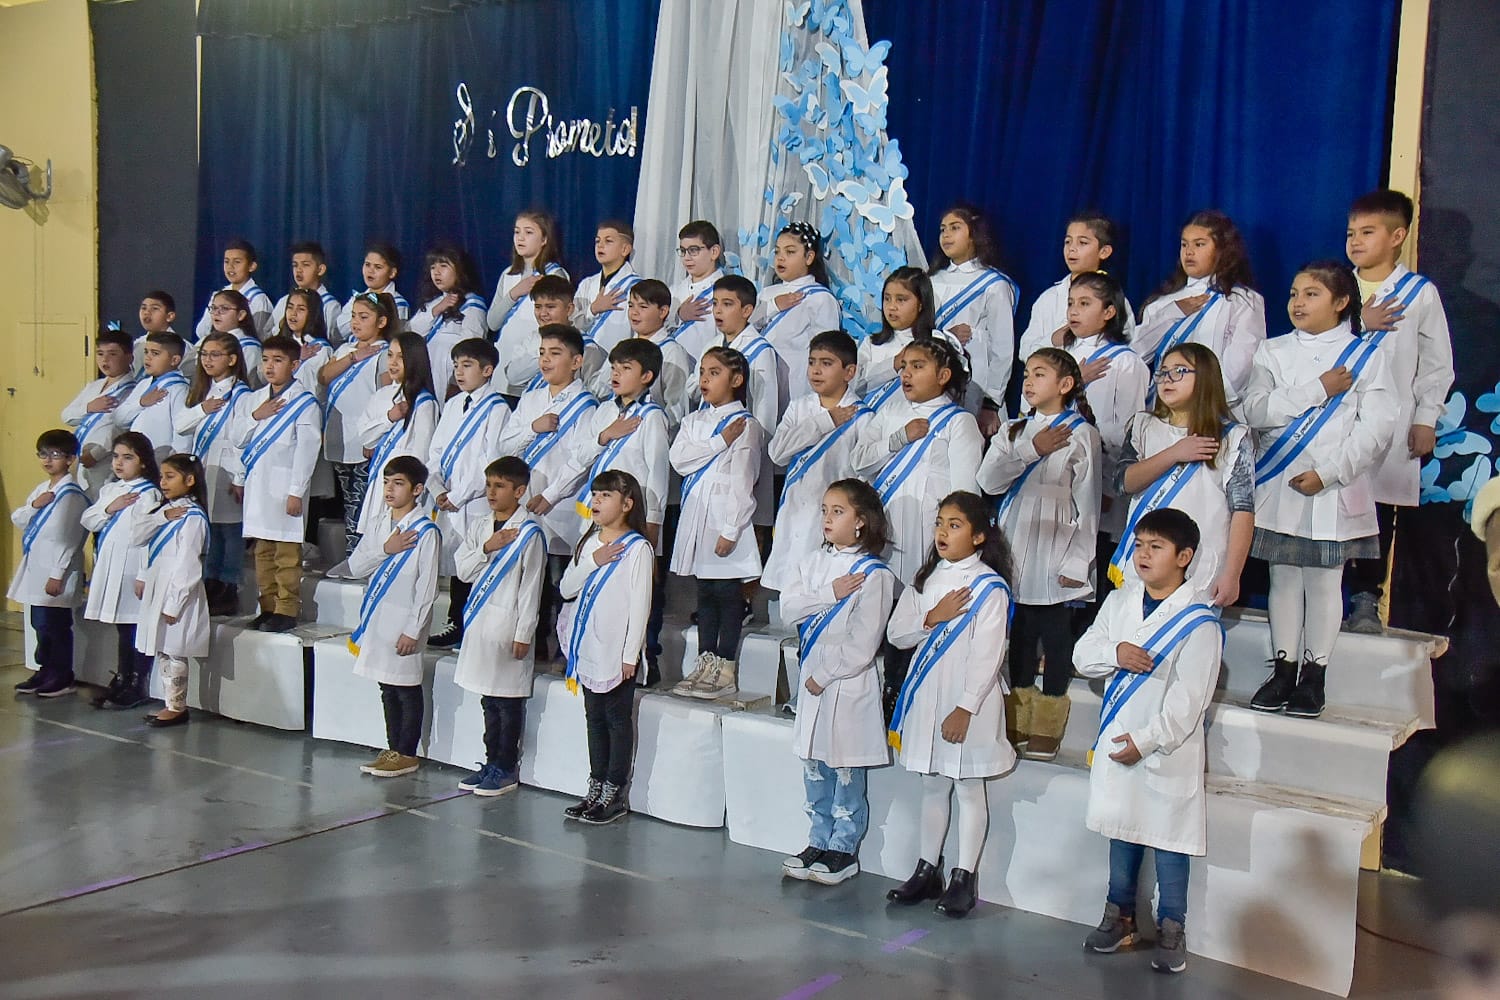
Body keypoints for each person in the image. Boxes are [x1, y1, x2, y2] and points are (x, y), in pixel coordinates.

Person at [1243, 260, 1396, 719]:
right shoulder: (1271, 351)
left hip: (1332, 486)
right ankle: (1284, 667)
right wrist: (1316, 389)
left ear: (1341, 301)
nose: (1297, 302)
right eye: (1293, 293)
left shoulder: (1366, 354)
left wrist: (1330, 472)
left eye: (1311, 294)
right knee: (1283, 576)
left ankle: (1315, 673)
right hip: (1280, 485)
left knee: (1325, 579)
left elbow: (1378, 426)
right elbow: (1255, 410)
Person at [1075, 507, 1223, 975]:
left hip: (1164, 750)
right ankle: (1119, 915)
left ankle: (1172, 925)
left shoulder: (1198, 621)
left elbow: (1189, 700)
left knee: (1168, 839)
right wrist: (1113, 652)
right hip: (1121, 741)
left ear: (1184, 557)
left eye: (1155, 547)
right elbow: (1083, 654)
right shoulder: (1120, 601)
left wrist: (1147, 739)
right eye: (1139, 545)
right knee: (1122, 829)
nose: (1142, 554)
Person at [884, 491, 1015, 919]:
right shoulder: (926, 579)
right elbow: (898, 634)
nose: (942, 532)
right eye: (940, 522)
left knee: (968, 787)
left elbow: (988, 653)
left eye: (955, 525)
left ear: (978, 536)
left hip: (967, 703)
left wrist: (965, 706)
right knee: (933, 783)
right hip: (928, 694)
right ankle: (927, 868)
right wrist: (931, 617)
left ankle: (964, 876)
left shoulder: (989, 587)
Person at [977, 348, 1102, 759]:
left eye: (1041, 375)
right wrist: (1032, 448)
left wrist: (1076, 561)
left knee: (1053, 630)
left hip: (1056, 540)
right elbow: (988, 481)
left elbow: (1088, 504)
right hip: (1016, 534)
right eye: (1027, 374)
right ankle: (1018, 715)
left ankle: (1048, 720)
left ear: (1065, 385)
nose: (1029, 382)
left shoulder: (1082, 432)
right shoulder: (1013, 429)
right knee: (1021, 631)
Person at [849, 335, 982, 713]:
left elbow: (965, 492)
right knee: (878, 612)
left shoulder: (959, 423)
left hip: (928, 537)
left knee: (914, 615)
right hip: (885, 535)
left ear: (943, 375)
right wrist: (897, 439)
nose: (907, 374)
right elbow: (860, 461)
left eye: (918, 367)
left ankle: (904, 693)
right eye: (904, 367)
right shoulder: (888, 413)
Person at [1342, 189, 1455, 633]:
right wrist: (1357, 323)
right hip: (1333, 420)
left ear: (1398, 236)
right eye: (1351, 232)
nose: (1356, 241)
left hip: (1390, 424)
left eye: (1368, 232)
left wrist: (1427, 417)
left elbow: (1436, 361)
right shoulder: (1335, 285)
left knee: (1376, 513)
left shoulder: (1419, 293)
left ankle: (1367, 599)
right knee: (1329, 507)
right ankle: (1324, 596)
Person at [779, 479, 895, 885]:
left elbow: (863, 643)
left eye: (839, 511)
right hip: (812, 676)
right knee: (814, 762)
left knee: (844, 765)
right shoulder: (811, 562)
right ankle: (816, 839)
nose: (828, 518)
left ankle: (843, 848)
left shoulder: (875, 574)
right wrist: (829, 593)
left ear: (861, 521)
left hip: (846, 681)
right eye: (825, 510)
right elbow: (788, 610)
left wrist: (823, 676)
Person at [1113, 342, 1254, 605]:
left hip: (1201, 563)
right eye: (1163, 372)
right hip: (1143, 563)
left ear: (1205, 378)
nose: (1167, 379)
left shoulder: (1232, 436)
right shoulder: (1143, 425)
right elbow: (1123, 482)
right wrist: (1174, 453)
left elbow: (1243, 509)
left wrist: (1232, 573)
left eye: (1179, 371)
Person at [565, 337, 670, 680]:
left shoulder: (652, 417)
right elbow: (580, 455)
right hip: (598, 515)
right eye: (613, 367)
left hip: (633, 517)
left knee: (638, 589)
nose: (616, 374)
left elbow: (656, 475)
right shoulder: (604, 411)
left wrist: (653, 524)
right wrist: (604, 435)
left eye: (626, 369)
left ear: (647, 377)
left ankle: (645, 657)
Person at [494, 324, 600, 659]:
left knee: (559, 582)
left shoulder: (586, 405)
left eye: (555, 354)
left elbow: (582, 460)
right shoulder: (531, 398)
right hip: (527, 504)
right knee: (528, 581)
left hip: (563, 507)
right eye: (542, 353)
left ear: (576, 361)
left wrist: (552, 494)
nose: (545, 360)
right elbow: (505, 445)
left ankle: (562, 647)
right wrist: (532, 427)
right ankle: (533, 644)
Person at [669, 347, 766, 700]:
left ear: (736, 380)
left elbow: (743, 481)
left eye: (714, 372)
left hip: (726, 520)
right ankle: (704, 661)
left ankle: (725, 666)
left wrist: (731, 530)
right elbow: (679, 460)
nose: (704, 379)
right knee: (705, 593)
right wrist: (717, 443)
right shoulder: (695, 422)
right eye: (703, 372)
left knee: (726, 595)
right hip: (698, 518)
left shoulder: (746, 426)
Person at [558, 469, 654, 825]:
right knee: (593, 719)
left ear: (627, 504)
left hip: (617, 653)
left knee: (616, 720)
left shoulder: (638, 549)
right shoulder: (588, 544)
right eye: (594, 495)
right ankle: (595, 785)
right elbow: (567, 588)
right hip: (589, 648)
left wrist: (631, 655)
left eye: (605, 496)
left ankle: (615, 791)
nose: (596, 501)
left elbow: (640, 604)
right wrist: (592, 562)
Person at [453, 457, 547, 796]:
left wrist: (524, 632)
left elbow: (532, 585)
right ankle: (490, 761)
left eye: (500, 486)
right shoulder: (480, 526)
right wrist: (486, 548)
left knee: (506, 702)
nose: (491, 492)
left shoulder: (530, 532)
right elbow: (463, 571)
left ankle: (506, 767)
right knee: (488, 700)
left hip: (509, 624)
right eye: (489, 484)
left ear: (519, 491)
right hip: (481, 624)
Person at [346, 455, 441, 777]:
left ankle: (407, 751)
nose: (389, 489)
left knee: (406, 685)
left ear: (416, 489)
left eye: (398, 483)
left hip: (405, 621)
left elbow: (427, 588)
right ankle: (392, 748)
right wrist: (386, 549)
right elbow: (357, 566)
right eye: (386, 482)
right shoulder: (378, 523)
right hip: (378, 616)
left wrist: (414, 629)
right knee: (387, 686)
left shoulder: (425, 531)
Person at [763, 330, 870, 593]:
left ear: (849, 371)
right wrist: (826, 421)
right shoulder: (799, 408)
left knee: (824, 586)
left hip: (834, 517)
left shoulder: (863, 417)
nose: (816, 370)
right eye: (812, 362)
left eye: (826, 363)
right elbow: (777, 452)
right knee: (794, 587)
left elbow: (865, 474)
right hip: (797, 510)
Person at [229, 335, 323, 632]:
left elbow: (308, 450)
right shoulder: (254, 399)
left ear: (294, 365)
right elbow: (237, 439)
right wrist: (257, 416)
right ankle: (267, 605)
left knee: (286, 553)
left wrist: (296, 491)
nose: (270, 367)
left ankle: (286, 607)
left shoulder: (304, 403)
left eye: (278, 360)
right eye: (266, 360)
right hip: (259, 488)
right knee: (262, 552)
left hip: (285, 489)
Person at [1056, 271, 1151, 560]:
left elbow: (1128, 431)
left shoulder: (1126, 362)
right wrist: (1073, 379)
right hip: (1057, 468)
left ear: (1109, 311)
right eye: (1071, 303)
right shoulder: (1058, 355)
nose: (1074, 310)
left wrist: (1110, 485)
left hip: (1098, 474)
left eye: (1085, 304)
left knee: (1091, 551)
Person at [426, 338, 510, 650]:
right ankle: (454, 623)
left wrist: (459, 495)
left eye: (468, 365)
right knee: (458, 563)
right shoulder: (451, 405)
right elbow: (434, 452)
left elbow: (491, 461)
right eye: (457, 365)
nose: (459, 372)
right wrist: (437, 489)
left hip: (473, 501)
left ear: (487, 370)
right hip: (447, 499)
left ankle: (470, 626)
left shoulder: (496, 409)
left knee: (474, 561)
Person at [1134, 210, 1266, 406]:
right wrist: (1173, 313)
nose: (1189, 252)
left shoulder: (1243, 300)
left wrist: (1204, 405)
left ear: (1222, 250)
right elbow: (1136, 353)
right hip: (1165, 409)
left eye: (1199, 244)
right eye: (1184, 244)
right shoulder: (1162, 304)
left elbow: (1242, 364)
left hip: (1217, 409)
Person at [80, 433, 162, 709]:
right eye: (116, 456)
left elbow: (147, 536)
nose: (119, 463)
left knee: (133, 627)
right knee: (121, 626)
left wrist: (143, 573)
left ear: (143, 462)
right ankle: (122, 677)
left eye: (128, 458)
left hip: (132, 567)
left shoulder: (148, 492)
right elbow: (89, 519)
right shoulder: (110, 490)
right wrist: (109, 508)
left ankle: (137, 682)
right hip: (111, 563)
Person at [132, 453, 212, 727]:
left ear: (189, 480)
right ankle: (171, 703)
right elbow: (137, 536)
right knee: (163, 648)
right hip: (159, 585)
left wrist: (174, 603)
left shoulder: (193, 517)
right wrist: (161, 517)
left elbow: (188, 564)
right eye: (161, 476)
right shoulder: (166, 511)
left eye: (170, 476)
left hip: (177, 590)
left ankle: (177, 707)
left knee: (174, 648)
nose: (163, 482)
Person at [175, 332, 252, 617]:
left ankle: (228, 586)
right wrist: (201, 410)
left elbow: (243, 439)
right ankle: (210, 580)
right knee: (210, 530)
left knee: (229, 531)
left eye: (215, 354)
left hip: (228, 470)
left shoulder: (242, 394)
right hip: (205, 468)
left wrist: (240, 477)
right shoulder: (201, 392)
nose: (207, 360)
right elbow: (182, 424)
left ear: (232, 359)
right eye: (204, 354)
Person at [9, 430, 89, 697]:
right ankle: (44, 669)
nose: (47, 460)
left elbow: (70, 539)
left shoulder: (72, 495)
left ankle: (61, 674)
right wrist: (34, 505)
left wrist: (57, 574)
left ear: (70, 459)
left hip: (58, 572)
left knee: (55, 625)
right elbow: (18, 518)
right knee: (39, 623)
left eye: (54, 455)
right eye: (43, 454)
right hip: (36, 568)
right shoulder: (43, 489)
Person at [320, 291, 395, 575]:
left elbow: (387, 394)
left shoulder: (385, 354)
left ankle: (361, 557)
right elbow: (324, 376)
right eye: (353, 316)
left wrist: (376, 438)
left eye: (364, 317)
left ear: (382, 321)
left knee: (363, 503)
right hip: (341, 438)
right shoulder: (344, 351)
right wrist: (353, 357)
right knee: (348, 500)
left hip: (365, 441)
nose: (356, 322)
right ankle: (353, 556)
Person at [927, 204, 1019, 431]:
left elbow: (1002, 348)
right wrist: (946, 336)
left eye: (955, 227)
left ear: (974, 234)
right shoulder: (930, 280)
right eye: (942, 229)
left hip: (978, 384)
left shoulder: (994, 284)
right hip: (932, 380)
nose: (946, 235)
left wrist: (992, 402)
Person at [353, 331, 439, 549]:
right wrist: (388, 418)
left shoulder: (424, 403)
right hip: (381, 479)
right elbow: (365, 436)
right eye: (390, 355)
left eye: (400, 357)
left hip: (404, 485)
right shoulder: (381, 395)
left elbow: (420, 452)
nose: (393, 363)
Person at [712, 274, 783, 528]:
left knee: (746, 523)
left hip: (744, 448)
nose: (718, 310)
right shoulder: (713, 345)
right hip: (714, 444)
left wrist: (755, 457)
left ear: (747, 310)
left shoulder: (759, 351)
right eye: (715, 303)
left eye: (727, 304)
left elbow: (764, 410)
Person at [1018, 211, 1137, 360]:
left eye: (1082, 242)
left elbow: (1128, 347)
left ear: (1104, 251)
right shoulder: (1050, 298)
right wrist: (1053, 340)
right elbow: (1024, 352)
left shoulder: (1114, 299)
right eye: (1068, 241)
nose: (1072, 249)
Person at [754, 222, 840, 401]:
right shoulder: (767, 293)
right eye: (777, 251)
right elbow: (746, 327)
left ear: (809, 257)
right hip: (760, 378)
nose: (781, 258)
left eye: (790, 252)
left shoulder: (820, 298)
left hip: (796, 381)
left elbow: (826, 350)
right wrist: (774, 306)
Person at [490, 209, 569, 393]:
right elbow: (492, 323)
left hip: (534, 367)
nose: (520, 238)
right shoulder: (508, 274)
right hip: (504, 366)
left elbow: (559, 322)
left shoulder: (555, 274)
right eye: (517, 232)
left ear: (544, 239)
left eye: (528, 232)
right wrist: (514, 294)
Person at [603, 278, 693, 431]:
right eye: (631, 306)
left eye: (643, 306)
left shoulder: (672, 352)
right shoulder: (625, 347)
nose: (634, 312)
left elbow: (677, 408)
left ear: (663, 311)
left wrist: (648, 432)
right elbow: (602, 388)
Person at [64, 327, 140, 497]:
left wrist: (96, 454)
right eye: (100, 353)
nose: (104, 359)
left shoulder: (134, 390)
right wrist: (89, 408)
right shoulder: (93, 387)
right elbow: (67, 416)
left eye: (112, 354)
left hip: (105, 461)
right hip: (78, 455)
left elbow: (121, 427)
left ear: (129, 357)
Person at [407, 243, 486, 399]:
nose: (436, 272)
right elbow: (412, 332)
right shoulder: (433, 303)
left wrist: (455, 382)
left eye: (443, 266)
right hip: (427, 374)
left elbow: (471, 345)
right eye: (433, 267)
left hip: (450, 377)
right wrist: (436, 309)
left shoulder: (472, 304)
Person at [856, 267, 936, 416]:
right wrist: (894, 364)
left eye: (901, 299)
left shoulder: (935, 344)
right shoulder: (872, 343)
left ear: (921, 304)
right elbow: (856, 384)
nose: (891, 306)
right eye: (887, 298)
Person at [496, 273, 579, 401]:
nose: (543, 313)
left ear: (569, 309)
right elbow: (513, 376)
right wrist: (543, 351)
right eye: (538, 307)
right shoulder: (531, 339)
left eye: (550, 307)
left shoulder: (581, 343)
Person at [113, 331, 191, 462]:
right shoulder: (143, 384)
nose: (148, 358)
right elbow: (119, 419)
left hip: (161, 461)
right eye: (146, 352)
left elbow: (183, 433)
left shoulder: (179, 389)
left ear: (174, 360)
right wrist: (141, 403)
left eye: (155, 353)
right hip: (135, 460)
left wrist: (177, 464)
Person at [572, 219, 642, 361]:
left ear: (625, 249)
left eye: (608, 241)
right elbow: (571, 322)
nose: (600, 246)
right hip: (582, 360)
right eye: (598, 241)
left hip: (618, 362)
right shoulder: (586, 284)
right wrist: (593, 310)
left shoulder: (637, 287)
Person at [667, 219, 728, 365]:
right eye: (683, 251)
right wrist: (678, 315)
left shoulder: (727, 290)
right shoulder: (674, 291)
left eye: (693, 251)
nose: (687, 258)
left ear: (714, 252)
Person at [192, 238, 273, 343]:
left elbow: (260, 337)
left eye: (237, 262)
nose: (230, 267)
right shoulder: (219, 294)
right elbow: (201, 330)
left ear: (252, 266)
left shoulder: (258, 299)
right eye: (226, 261)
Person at [336, 242, 409, 342]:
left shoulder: (398, 303)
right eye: (367, 265)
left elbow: (392, 336)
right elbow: (339, 331)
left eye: (378, 267)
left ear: (392, 273)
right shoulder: (358, 298)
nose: (370, 271)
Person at [270, 240, 342, 335]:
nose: (299, 270)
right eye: (295, 265)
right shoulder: (284, 301)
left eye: (305, 265)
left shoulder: (329, 305)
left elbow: (332, 339)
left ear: (320, 270)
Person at [277, 287, 334, 394]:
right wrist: (296, 357)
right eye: (290, 307)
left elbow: (314, 390)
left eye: (301, 309)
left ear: (312, 314)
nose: (293, 313)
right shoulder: (279, 342)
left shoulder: (319, 349)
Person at [205, 289, 265, 389]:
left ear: (241, 315)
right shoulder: (205, 341)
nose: (216, 313)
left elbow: (250, 383)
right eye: (214, 308)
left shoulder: (249, 347)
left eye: (224, 308)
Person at [134, 289, 189, 374]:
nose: (146, 312)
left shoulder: (182, 348)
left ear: (170, 316)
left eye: (155, 308)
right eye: (144, 308)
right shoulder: (137, 344)